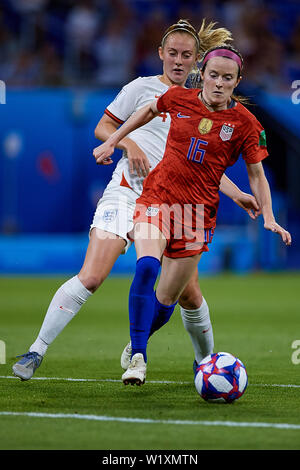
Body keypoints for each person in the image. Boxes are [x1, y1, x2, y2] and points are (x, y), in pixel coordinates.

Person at [12, 21, 259, 382]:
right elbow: (103, 127)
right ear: (160, 54)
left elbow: (203, 168)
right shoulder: (141, 89)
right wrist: (128, 143)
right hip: (129, 192)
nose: (177, 61)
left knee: (188, 296)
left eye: (186, 55)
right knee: (92, 276)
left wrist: (236, 193)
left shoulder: (203, 103)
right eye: (171, 53)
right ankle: (36, 350)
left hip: (174, 203)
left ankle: (205, 365)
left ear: (197, 61)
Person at [94, 44, 292, 386]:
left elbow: (257, 174)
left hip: (197, 215)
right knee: (146, 267)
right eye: (213, 75)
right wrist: (115, 140)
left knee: (167, 299)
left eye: (227, 78)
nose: (218, 83)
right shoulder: (179, 98)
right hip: (158, 197)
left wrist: (269, 216)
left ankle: (139, 339)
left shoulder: (245, 124)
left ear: (237, 81)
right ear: (202, 74)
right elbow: (145, 112)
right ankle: (138, 359)